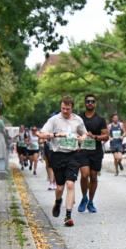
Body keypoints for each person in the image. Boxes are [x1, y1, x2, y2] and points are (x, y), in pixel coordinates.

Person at [37, 96, 86, 227]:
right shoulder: (54, 120)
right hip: (58, 155)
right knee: (59, 187)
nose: (65, 111)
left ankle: (68, 216)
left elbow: (84, 134)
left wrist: (82, 138)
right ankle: (58, 201)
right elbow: (40, 134)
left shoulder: (78, 120)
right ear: (61, 107)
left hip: (74, 155)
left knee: (70, 184)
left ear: (72, 108)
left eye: (67, 109)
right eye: (63, 108)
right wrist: (55, 135)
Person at [77, 94, 109, 214]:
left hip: (96, 152)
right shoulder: (79, 119)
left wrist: (94, 136)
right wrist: (79, 139)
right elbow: (74, 132)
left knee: (94, 176)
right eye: (88, 101)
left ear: (95, 104)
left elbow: (106, 136)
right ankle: (84, 197)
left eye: (92, 101)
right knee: (84, 175)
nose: (90, 103)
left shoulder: (100, 119)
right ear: (85, 103)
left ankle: (90, 201)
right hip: (83, 151)